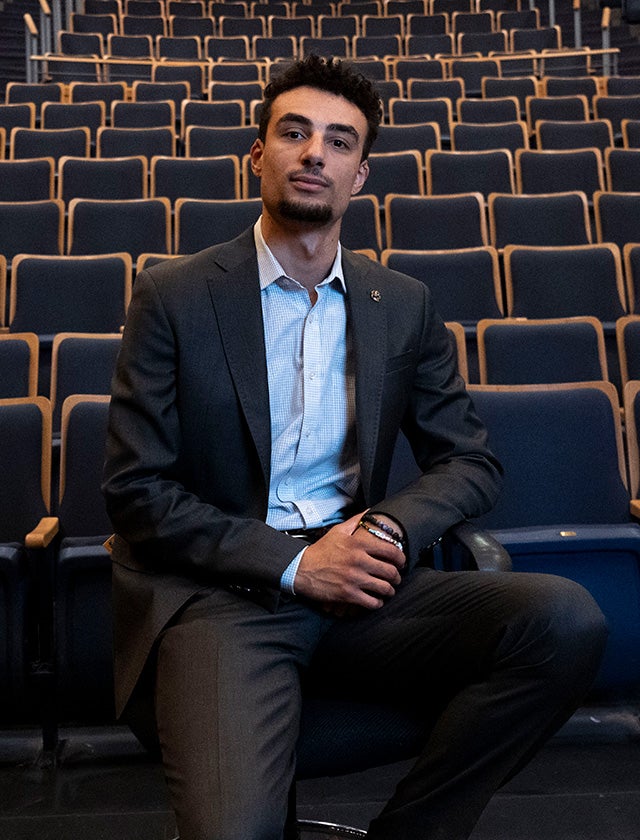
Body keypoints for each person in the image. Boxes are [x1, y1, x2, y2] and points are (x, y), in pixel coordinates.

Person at [102, 55, 608, 840]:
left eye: (339, 142)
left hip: (363, 587)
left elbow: (471, 461)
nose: (315, 154)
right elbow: (137, 493)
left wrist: (387, 530)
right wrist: (297, 564)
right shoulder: (172, 296)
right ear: (259, 153)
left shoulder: (401, 303)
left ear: (360, 175)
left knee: (565, 620)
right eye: (294, 133)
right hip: (226, 599)